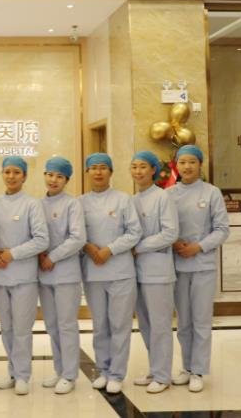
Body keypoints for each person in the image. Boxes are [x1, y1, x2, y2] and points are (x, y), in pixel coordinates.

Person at [0, 156, 48, 396]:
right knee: (7, 327)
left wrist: (13, 254)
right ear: (2, 174)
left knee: (22, 328)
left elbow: (41, 239)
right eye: (7, 172)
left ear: (24, 176)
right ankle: (12, 372)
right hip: (0, 274)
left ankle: (23, 375)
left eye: (16, 172)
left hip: (24, 276)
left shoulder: (32, 204)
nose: (11, 176)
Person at [167, 145, 229, 393]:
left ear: (200, 164)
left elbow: (222, 229)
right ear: (176, 165)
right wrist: (174, 242)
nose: (187, 166)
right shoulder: (168, 194)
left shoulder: (212, 192)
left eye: (192, 162)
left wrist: (199, 247)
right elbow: (163, 227)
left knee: (201, 320)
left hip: (203, 265)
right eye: (182, 162)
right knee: (183, 321)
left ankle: (199, 370)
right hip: (177, 265)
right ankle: (186, 367)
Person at [80, 152, 142, 394]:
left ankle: (116, 373)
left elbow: (134, 232)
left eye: (103, 168)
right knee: (100, 325)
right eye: (93, 168)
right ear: (87, 172)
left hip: (120, 272)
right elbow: (74, 233)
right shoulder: (79, 203)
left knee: (120, 325)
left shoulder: (123, 200)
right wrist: (88, 246)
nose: (98, 172)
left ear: (111, 172)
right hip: (93, 272)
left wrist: (109, 250)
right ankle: (103, 370)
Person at [130, 151, 179, 394]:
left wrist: (138, 247)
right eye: (134, 167)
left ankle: (163, 375)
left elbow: (170, 233)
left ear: (153, 170)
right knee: (146, 324)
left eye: (143, 166)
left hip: (158, 271)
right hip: (136, 272)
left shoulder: (162, 197)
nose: (138, 171)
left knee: (160, 325)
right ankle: (154, 369)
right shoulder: (132, 200)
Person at [37, 157, 85, 395]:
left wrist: (52, 257)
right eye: (50, 174)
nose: (53, 180)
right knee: (52, 325)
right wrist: (40, 256)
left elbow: (78, 238)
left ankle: (70, 374)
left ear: (66, 180)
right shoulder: (37, 204)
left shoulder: (72, 204)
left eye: (59, 176)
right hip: (43, 275)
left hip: (66, 273)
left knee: (66, 325)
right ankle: (59, 369)